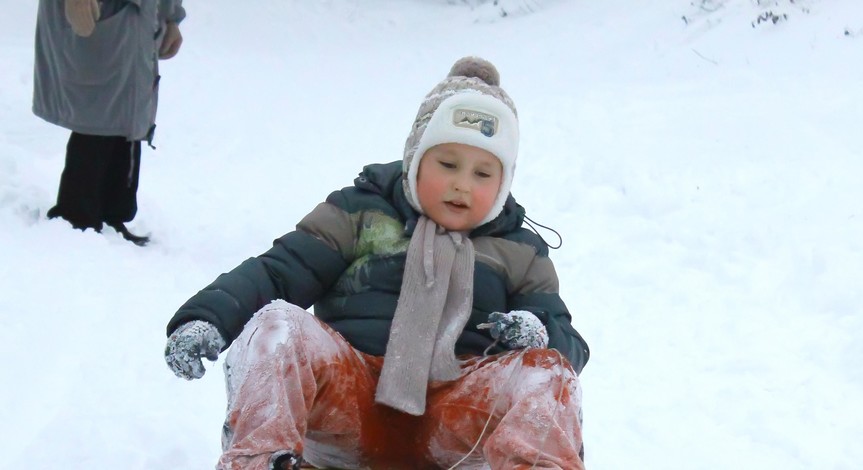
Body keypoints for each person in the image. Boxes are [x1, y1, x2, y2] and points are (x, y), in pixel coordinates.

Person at [164, 56, 590, 470]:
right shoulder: (360, 214)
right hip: (351, 404)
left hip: (455, 420)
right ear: (415, 158)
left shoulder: (519, 249)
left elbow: (569, 345)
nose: (462, 184)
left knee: (547, 372)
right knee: (279, 325)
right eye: (447, 164)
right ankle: (258, 461)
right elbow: (278, 271)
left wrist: (540, 333)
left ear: (503, 184)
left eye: (483, 174)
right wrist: (207, 317)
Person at [33, 0, 187, 246]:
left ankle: (111, 214)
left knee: (127, 110)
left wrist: (170, 15)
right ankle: (76, 220)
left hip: (138, 19)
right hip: (95, 13)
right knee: (96, 115)